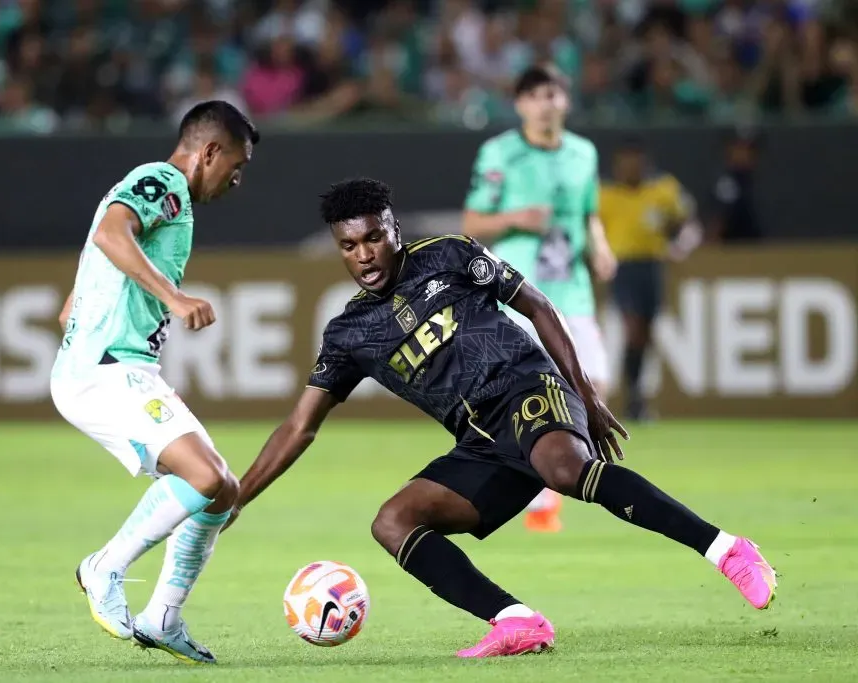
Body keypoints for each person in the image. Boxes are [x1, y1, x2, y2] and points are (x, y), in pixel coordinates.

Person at [226, 178, 776, 659]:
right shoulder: (349, 334)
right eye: (349, 245)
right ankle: (515, 621)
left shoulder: (448, 254)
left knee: (565, 471)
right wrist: (237, 497)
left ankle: (728, 549)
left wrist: (586, 393)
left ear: (394, 229)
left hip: (526, 385)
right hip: (479, 441)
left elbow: (537, 304)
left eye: (374, 237)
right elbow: (300, 426)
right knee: (392, 522)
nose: (365, 254)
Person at [50, 100, 259, 665]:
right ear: (209, 151)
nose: (235, 181)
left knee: (223, 490)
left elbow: (74, 302)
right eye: (235, 166)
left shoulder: (161, 200)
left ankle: (163, 616)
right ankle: (105, 566)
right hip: (105, 370)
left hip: (116, 368)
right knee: (206, 474)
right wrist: (174, 297)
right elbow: (111, 233)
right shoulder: (163, 180)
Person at [462, 64, 617, 533]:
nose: (545, 103)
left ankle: (552, 483)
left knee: (597, 383)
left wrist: (601, 246)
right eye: (534, 95)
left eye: (552, 94)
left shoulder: (582, 154)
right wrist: (517, 218)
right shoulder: (499, 153)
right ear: (520, 104)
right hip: (520, 293)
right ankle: (536, 490)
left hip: (572, 288)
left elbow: (588, 214)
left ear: (565, 101)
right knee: (524, 393)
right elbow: (472, 223)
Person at [599, 138, 703, 421]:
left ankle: (637, 394)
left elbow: (688, 223)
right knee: (633, 327)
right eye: (625, 163)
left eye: (636, 162)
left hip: (652, 265)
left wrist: (681, 244)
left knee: (646, 331)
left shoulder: (663, 190)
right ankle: (632, 395)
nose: (631, 168)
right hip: (623, 267)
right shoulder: (604, 195)